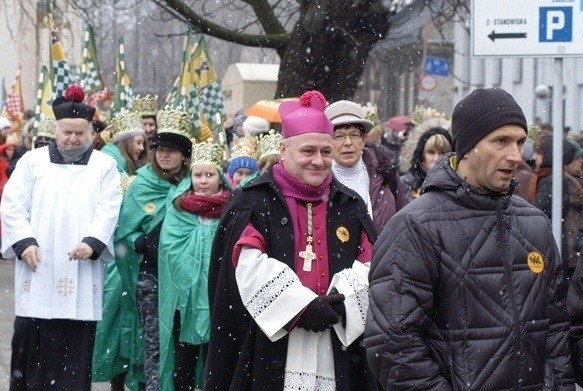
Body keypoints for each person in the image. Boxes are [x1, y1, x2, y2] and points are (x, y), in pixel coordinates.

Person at [365, 87, 574, 389]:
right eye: (500, 141)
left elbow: (556, 330)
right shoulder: (415, 226)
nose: (516, 156)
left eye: (520, 142)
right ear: (467, 148)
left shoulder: (535, 224)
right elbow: (393, 342)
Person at [205, 90, 378, 390]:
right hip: (267, 344)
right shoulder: (252, 201)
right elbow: (246, 265)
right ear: (284, 151)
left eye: (326, 151)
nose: (318, 160)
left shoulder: (349, 205)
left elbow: (371, 263)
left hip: (336, 340)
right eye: (308, 151)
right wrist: (301, 307)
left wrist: (342, 300)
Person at [1, 84, 123, 390]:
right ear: (56, 130)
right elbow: (12, 204)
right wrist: (24, 241)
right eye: (67, 132)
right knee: (32, 350)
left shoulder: (104, 166)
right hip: (38, 269)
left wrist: (93, 241)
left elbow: (109, 207)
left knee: (75, 354)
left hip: (80, 270)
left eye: (80, 133)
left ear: (91, 134)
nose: (73, 139)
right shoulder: (32, 161)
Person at [113, 108, 193, 391]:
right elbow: (123, 234)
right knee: (155, 347)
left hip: (186, 282)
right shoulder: (141, 186)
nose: (164, 154)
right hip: (152, 279)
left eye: (172, 150)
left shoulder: (195, 185)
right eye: (160, 148)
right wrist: (141, 242)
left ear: (184, 155)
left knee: (185, 347)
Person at [158, 140, 231, 391]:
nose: (203, 180)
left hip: (218, 295)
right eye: (198, 175)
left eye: (209, 174)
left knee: (216, 356)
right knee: (184, 359)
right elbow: (169, 247)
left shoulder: (232, 207)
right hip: (185, 298)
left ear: (220, 178)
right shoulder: (179, 208)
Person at [325, 99, 407, 234]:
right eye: (339, 136)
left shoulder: (385, 172)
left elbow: (404, 221)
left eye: (354, 135)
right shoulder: (319, 178)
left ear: (363, 139)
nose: (348, 142)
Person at [399, 117, 452, 201]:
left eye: (442, 153)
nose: (436, 158)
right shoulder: (404, 184)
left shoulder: (455, 185)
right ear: (422, 155)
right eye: (431, 152)